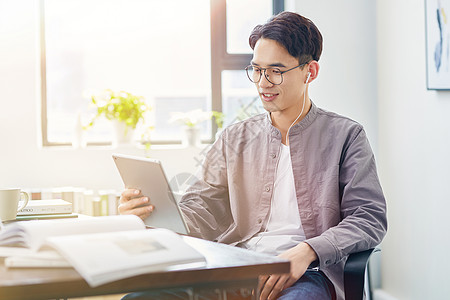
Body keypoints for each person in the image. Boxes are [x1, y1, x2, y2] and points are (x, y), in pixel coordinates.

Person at [119, 11, 387, 300]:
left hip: (305, 275)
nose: (263, 82)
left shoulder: (346, 136)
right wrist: (154, 214)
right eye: (257, 70)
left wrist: (308, 251)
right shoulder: (234, 138)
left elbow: (368, 217)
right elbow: (203, 207)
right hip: (232, 267)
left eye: (276, 71)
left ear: (309, 72)